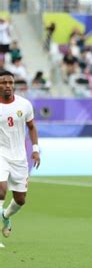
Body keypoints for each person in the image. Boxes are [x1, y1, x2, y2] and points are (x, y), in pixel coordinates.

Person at [0, 70, 40, 244]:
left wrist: (36, 149)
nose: (8, 86)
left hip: (19, 157)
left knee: (20, 200)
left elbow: (31, 127)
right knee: (1, 189)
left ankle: (6, 216)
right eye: (3, 83)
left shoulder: (24, 105)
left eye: (10, 82)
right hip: (1, 154)